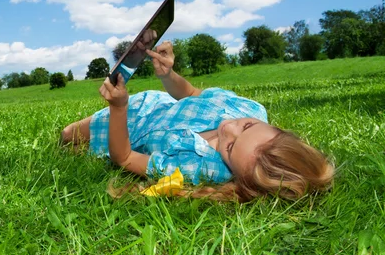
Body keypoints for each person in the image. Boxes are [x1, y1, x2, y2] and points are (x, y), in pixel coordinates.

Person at [60, 41, 334, 202]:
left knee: (67, 135)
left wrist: (119, 108)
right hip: (152, 104)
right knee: (67, 136)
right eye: (246, 126)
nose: (229, 129)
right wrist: (168, 75)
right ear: (273, 127)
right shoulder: (247, 107)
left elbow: (125, 157)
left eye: (229, 148)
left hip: (125, 128)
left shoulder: (200, 168)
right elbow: (190, 94)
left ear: (237, 176)